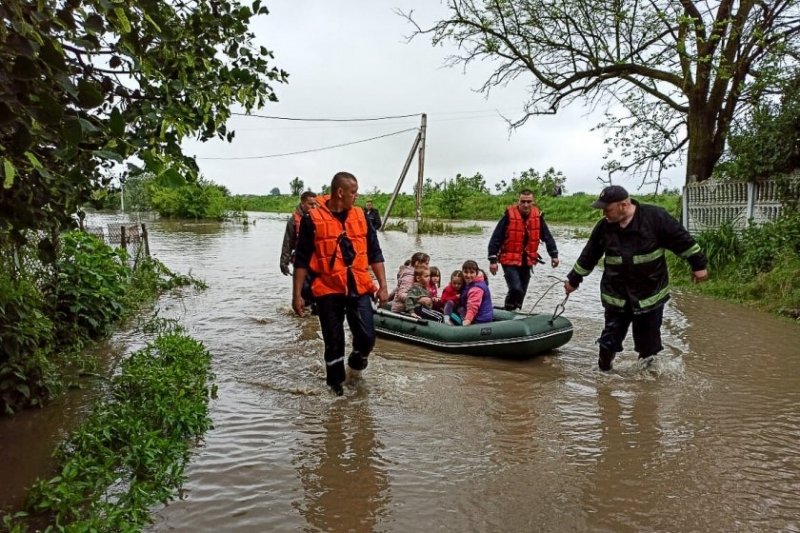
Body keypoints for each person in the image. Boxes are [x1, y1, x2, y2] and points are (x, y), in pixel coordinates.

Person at [563, 185, 709, 371]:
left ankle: (646, 381)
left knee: (649, 345)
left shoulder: (656, 218)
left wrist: (698, 265)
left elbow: (682, 241)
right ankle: (603, 376)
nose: (603, 214)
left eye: (607, 209)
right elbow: (588, 256)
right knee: (608, 342)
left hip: (650, 295)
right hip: (616, 296)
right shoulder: (604, 228)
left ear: (623, 205)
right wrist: (573, 280)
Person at [292, 172, 389, 396]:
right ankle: (336, 391)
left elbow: (375, 253)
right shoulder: (312, 220)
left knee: (367, 337)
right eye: (353, 192)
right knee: (334, 341)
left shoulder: (362, 216)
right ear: (340, 192)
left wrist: (383, 286)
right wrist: (297, 295)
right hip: (328, 288)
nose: (357, 196)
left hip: (359, 286)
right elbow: (301, 261)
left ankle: (356, 362)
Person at [488, 189, 560, 311]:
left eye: (528, 202)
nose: (526, 205)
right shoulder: (508, 216)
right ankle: (509, 309)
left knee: (522, 290)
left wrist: (554, 255)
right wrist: (493, 260)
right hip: (509, 259)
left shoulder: (538, 217)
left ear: (533, 201)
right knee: (516, 288)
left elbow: (547, 237)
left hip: (527, 260)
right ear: (518, 201)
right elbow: (496, 238)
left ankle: (516, 310)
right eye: (523, 201)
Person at [280, 190, 318, 276]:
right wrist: (283, 263)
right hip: (301, 261)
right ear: (302, 203)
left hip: (318, 261)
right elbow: (287, 243)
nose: (314, 207)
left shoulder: (320, 219)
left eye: (315, 204)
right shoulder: (293, 221)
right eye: (310, 204)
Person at [457, 260, 493, 326]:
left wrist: (467, 321)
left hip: (480, 320)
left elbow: (472, 307)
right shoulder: (468, 282)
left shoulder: (476, 289)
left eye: (472, 272)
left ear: (476, 273)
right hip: (477, 315)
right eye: (466, 272)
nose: (468, 275)